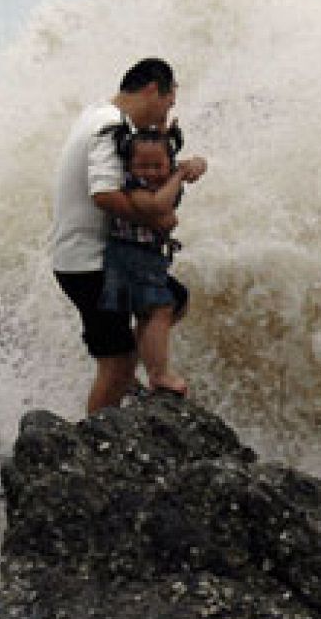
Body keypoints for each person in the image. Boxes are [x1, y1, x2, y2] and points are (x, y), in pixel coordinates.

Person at [49, 58, 207, 413]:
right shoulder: (110, 126)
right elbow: (104, 194)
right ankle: (93, 445)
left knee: (173, 300)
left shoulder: (98, 114)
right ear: (153, 89)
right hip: (89, 264)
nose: (168, 110)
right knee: (117, 362)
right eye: (169, 101)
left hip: (93, 259)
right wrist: (157, 221)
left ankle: (125, 382)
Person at [99, 126, 204, 397]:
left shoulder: (167, 173)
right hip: (130, 255)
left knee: (175, 303)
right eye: (142, 165)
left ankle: (129, 366)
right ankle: (159, 375)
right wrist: (178, 175)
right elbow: (159, 206)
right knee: (160, 308)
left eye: (158, 165)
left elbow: (199, 164)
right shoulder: (133, 186)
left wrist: (195, 165)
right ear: (129, 165)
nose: (151, 172)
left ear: (169, 160)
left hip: (148, 257)